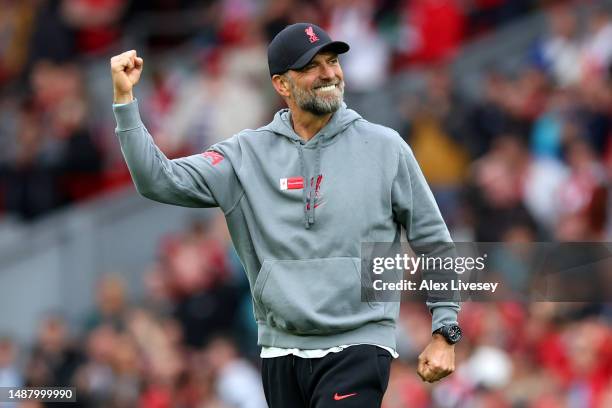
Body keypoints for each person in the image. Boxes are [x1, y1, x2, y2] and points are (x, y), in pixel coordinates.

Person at [110, 22, 461, 408]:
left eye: (332, 61)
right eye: (312, 66)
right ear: (281, 85)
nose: (329, 73)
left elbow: (436, 245)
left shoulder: (385, 147)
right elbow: (157, 180)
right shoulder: (245, 155)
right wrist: (125, 102)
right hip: (280, 353)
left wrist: (445, 331)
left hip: (359, 345)